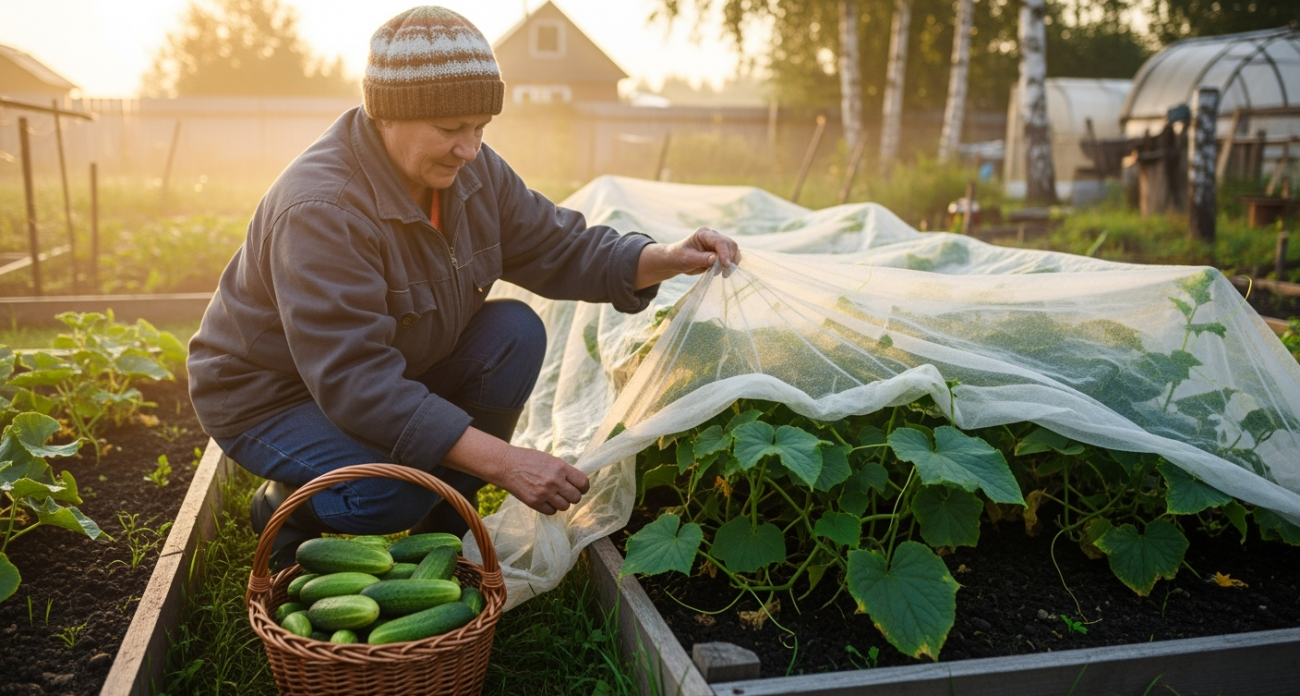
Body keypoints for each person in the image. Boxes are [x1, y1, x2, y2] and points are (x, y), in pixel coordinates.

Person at [187, 6, 739, 569]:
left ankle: (446, 526)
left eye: (480, 128)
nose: (470, 148)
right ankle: (283, 509)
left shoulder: (471, 173)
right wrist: (504, 461)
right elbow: (356, 380)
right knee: (391, 490)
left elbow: (558, 245)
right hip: (271, 396)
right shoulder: (322, 209)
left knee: (514, 332)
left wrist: (666, 257)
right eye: (451, 130)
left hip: (389, 367)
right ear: (387, 115)